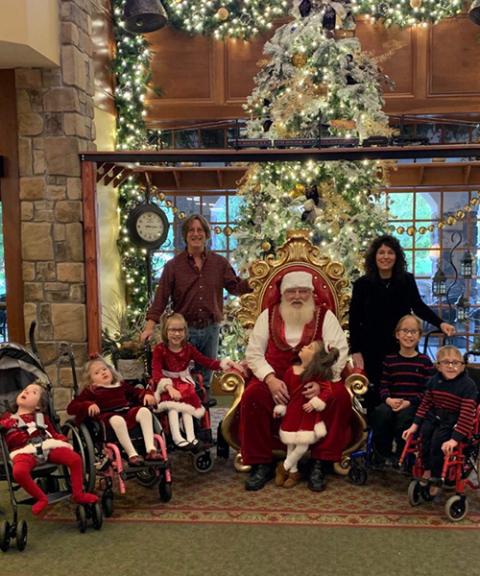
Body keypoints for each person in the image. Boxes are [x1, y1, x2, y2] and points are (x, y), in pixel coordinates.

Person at [240, 270, 351, 492]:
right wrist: (269, 379)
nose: (297, 296)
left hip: (314, 378)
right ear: (283, 294)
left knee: (338, 396)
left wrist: (321, 382)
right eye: (291, 292)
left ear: (311, 293)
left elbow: (339, 350)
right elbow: (253, 352)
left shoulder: (324, 316)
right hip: (275, 377)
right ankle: (261, 463)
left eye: (303, 291)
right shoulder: (268, 315)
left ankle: (320, 462)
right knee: (253, 396)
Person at [141, 214, 251, 390]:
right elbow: (160, 298)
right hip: (183, 332)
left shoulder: (219, 263)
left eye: (200, 230)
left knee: (205, 381)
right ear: (185, 235)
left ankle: (203, 416)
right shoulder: (173, 266)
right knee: (182, 379)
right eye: (191, 230)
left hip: (211, 330)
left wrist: (257, 279)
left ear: (207, 235)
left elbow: (236, 287)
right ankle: (186, 415)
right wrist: (149, 327)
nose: (196, 234)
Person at [349, 234, 455, 411]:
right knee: (376, 395)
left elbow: (419, 307)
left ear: (396, 256)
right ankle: (378, 433)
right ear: (374, 256)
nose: (385, 257)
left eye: (390, 252)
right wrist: (356, 350)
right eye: (381, 252)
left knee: (402, 387)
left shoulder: (406, 280)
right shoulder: (362, 284)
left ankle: (403, 431)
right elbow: (354, 319)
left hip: (401, 345)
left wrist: (440, 323)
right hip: (371, 348)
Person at [0, 382, 98, 515]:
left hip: (47, 446)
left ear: (38, 405)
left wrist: (61, 440)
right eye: (26, 390)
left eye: (33, 392)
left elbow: (53, 433)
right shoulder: (7, 418)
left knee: (75, 459)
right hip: (23, 452)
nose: (26, 392)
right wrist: (5, 425)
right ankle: (41, 498)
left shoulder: (42, 418)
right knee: (18, 472)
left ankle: (78, 494)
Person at [151, 312, 242, 451]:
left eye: (180, 330)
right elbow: (156, 372)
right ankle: (177, 437)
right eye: (173, 330)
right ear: (166, 331)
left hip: (184, 383)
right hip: (166, 384)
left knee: (188, 406)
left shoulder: (188, 348)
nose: (177, 334)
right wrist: (168, 387)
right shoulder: (160, 349)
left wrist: (225, 364)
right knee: (173, 406)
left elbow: (206, 361)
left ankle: (191, 438)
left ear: (185, 331)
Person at [402, 345, 477, 499]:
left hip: (455, 421)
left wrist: (454, 440)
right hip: (435, 417)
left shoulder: (468, 386)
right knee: (424, 436)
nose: (451, 366)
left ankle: (436, 477)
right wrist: (414, 425)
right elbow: (425, 404)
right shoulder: (434, 381)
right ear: (438, 366)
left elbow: (467, 415)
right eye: (446, 362)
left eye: (456, 363)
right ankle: (427, 468)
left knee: (438, 442)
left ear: (462, 366)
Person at [67, 356, 162, 466]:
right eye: (97, 373)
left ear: (111, 370)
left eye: (104, 369)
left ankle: (151, 450)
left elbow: (136, 392)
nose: (103, 373)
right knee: (118, 420)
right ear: (90, 380)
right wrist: (87, 405)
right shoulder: (91, 391)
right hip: (108, 418)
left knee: (144, 411)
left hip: (126, 413)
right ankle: (132, 455)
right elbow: (71, 407)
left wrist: (146, 394)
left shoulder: (120, 385)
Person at [274, 341, 339, 489]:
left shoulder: (315, 374)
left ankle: (283, 466)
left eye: (309, 348)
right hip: (292, 412)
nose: (303, 346)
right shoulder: (291, 371)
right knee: (291, 443)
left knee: (302, 446)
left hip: (307, 415)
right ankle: (293, 472)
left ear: (315, 357)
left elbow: (327, 390)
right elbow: (287, 393)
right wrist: (281, 407)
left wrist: (316, 401)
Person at [372, 314, 434, 465]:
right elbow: (384, 385)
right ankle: (382, 454)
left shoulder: (424, 362)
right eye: (405, 331)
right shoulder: (390, 360)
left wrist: (409, 402)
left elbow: (427, 391)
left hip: (412, 404)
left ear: (419, 336)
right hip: (392, 401)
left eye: (413, 332)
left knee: (404, 418)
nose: (409, 335)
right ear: (397, 335)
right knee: (381, 413)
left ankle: (402, 454)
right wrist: (388, 400)